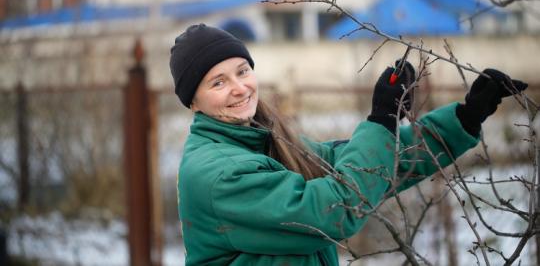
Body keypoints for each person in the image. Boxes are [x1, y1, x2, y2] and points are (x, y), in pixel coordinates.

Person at [169, 23, 528, 265]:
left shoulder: (264, 141)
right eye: (217, 82)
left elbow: (369, 169)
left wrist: (465, 118)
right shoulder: (220, 174)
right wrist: (382, 117)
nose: (239, 87)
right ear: (193, 103)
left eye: (242, 71)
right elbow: (334, 209)